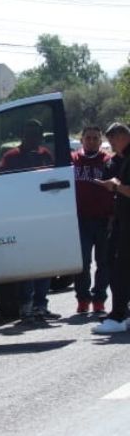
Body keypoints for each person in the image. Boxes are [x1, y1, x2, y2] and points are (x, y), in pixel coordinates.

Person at [0, 119, 60, 323]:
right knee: (28, 264)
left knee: (45, 263)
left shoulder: (45, 155)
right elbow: (2, 185)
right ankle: (26, 306)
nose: (33, 138)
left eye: (36, 134)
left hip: (44, 216)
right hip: (21, 217)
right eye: (29, 134)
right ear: (22, 135)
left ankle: (41, 305)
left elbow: (55, 181)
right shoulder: (11, 157)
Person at [91, 122, 130, 334]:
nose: (111, 145)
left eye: (113, 140)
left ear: (122, 136)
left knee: (120, 269)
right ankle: (122, 311)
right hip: (121, 221)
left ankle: (118, 315)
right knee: (118, 266)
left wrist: (115, 186)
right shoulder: (121, 159)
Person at [71, 126, 113, 314]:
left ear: (101, 140)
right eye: (88, 138)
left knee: (103, 262)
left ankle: (99, 299)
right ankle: (82, 298)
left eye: (96, 138)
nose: (92, 141)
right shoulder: (73, 160)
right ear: (82, 140)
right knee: (83, 261)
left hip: (104, 219)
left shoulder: (107, 161)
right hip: (80, 219)